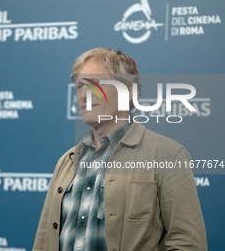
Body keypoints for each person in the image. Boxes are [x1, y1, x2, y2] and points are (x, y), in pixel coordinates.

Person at [33, 48, 207, 251]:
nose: (84, 95)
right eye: (81, 85)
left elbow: (187, 244)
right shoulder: (67, 161)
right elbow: (43, 242)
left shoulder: (168, 155)